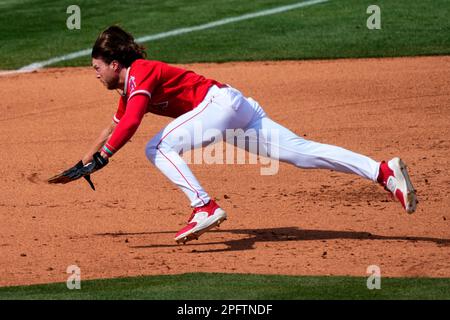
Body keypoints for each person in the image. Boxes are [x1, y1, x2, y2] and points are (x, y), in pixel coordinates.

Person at [80, 25, 417, 244]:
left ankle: (204, 206)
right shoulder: (129, 89)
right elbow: (115, 124)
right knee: (300, 153)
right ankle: (382, 172)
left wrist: (105, 156)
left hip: (218, 105)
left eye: (97, 68)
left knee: (157, 147)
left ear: (114, 63)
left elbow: (133, 122)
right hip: (234, 107)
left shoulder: (140, 72)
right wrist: (86, 161)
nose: (95, 75)